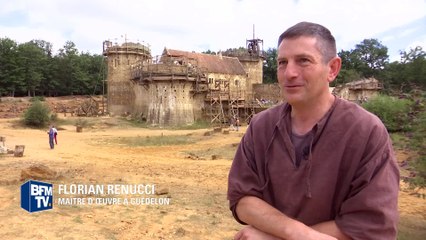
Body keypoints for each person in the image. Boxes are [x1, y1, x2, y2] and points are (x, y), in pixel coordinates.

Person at [227, 22, 399, 240]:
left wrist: (273, 236)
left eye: (303, 61)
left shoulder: (366, 132)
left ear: (333, 69)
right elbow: (242, 198)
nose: (289, 73)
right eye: (282, 62)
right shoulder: (261, 126)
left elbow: (371, 226)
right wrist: (292, 232)